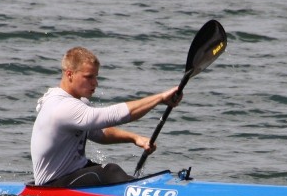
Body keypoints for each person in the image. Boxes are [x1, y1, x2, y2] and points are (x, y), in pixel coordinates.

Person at [31, 46, 181, 187]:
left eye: (96, 77)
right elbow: (112, 115)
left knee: (125, 179)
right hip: (53, 184)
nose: (95, 83)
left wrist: (134, 138)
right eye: (89, 77)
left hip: (73, 173)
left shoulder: (75, 102)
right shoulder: (62, 106)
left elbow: (98, 133)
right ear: (69, 74)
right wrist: (159, 98)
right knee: (111, 171)